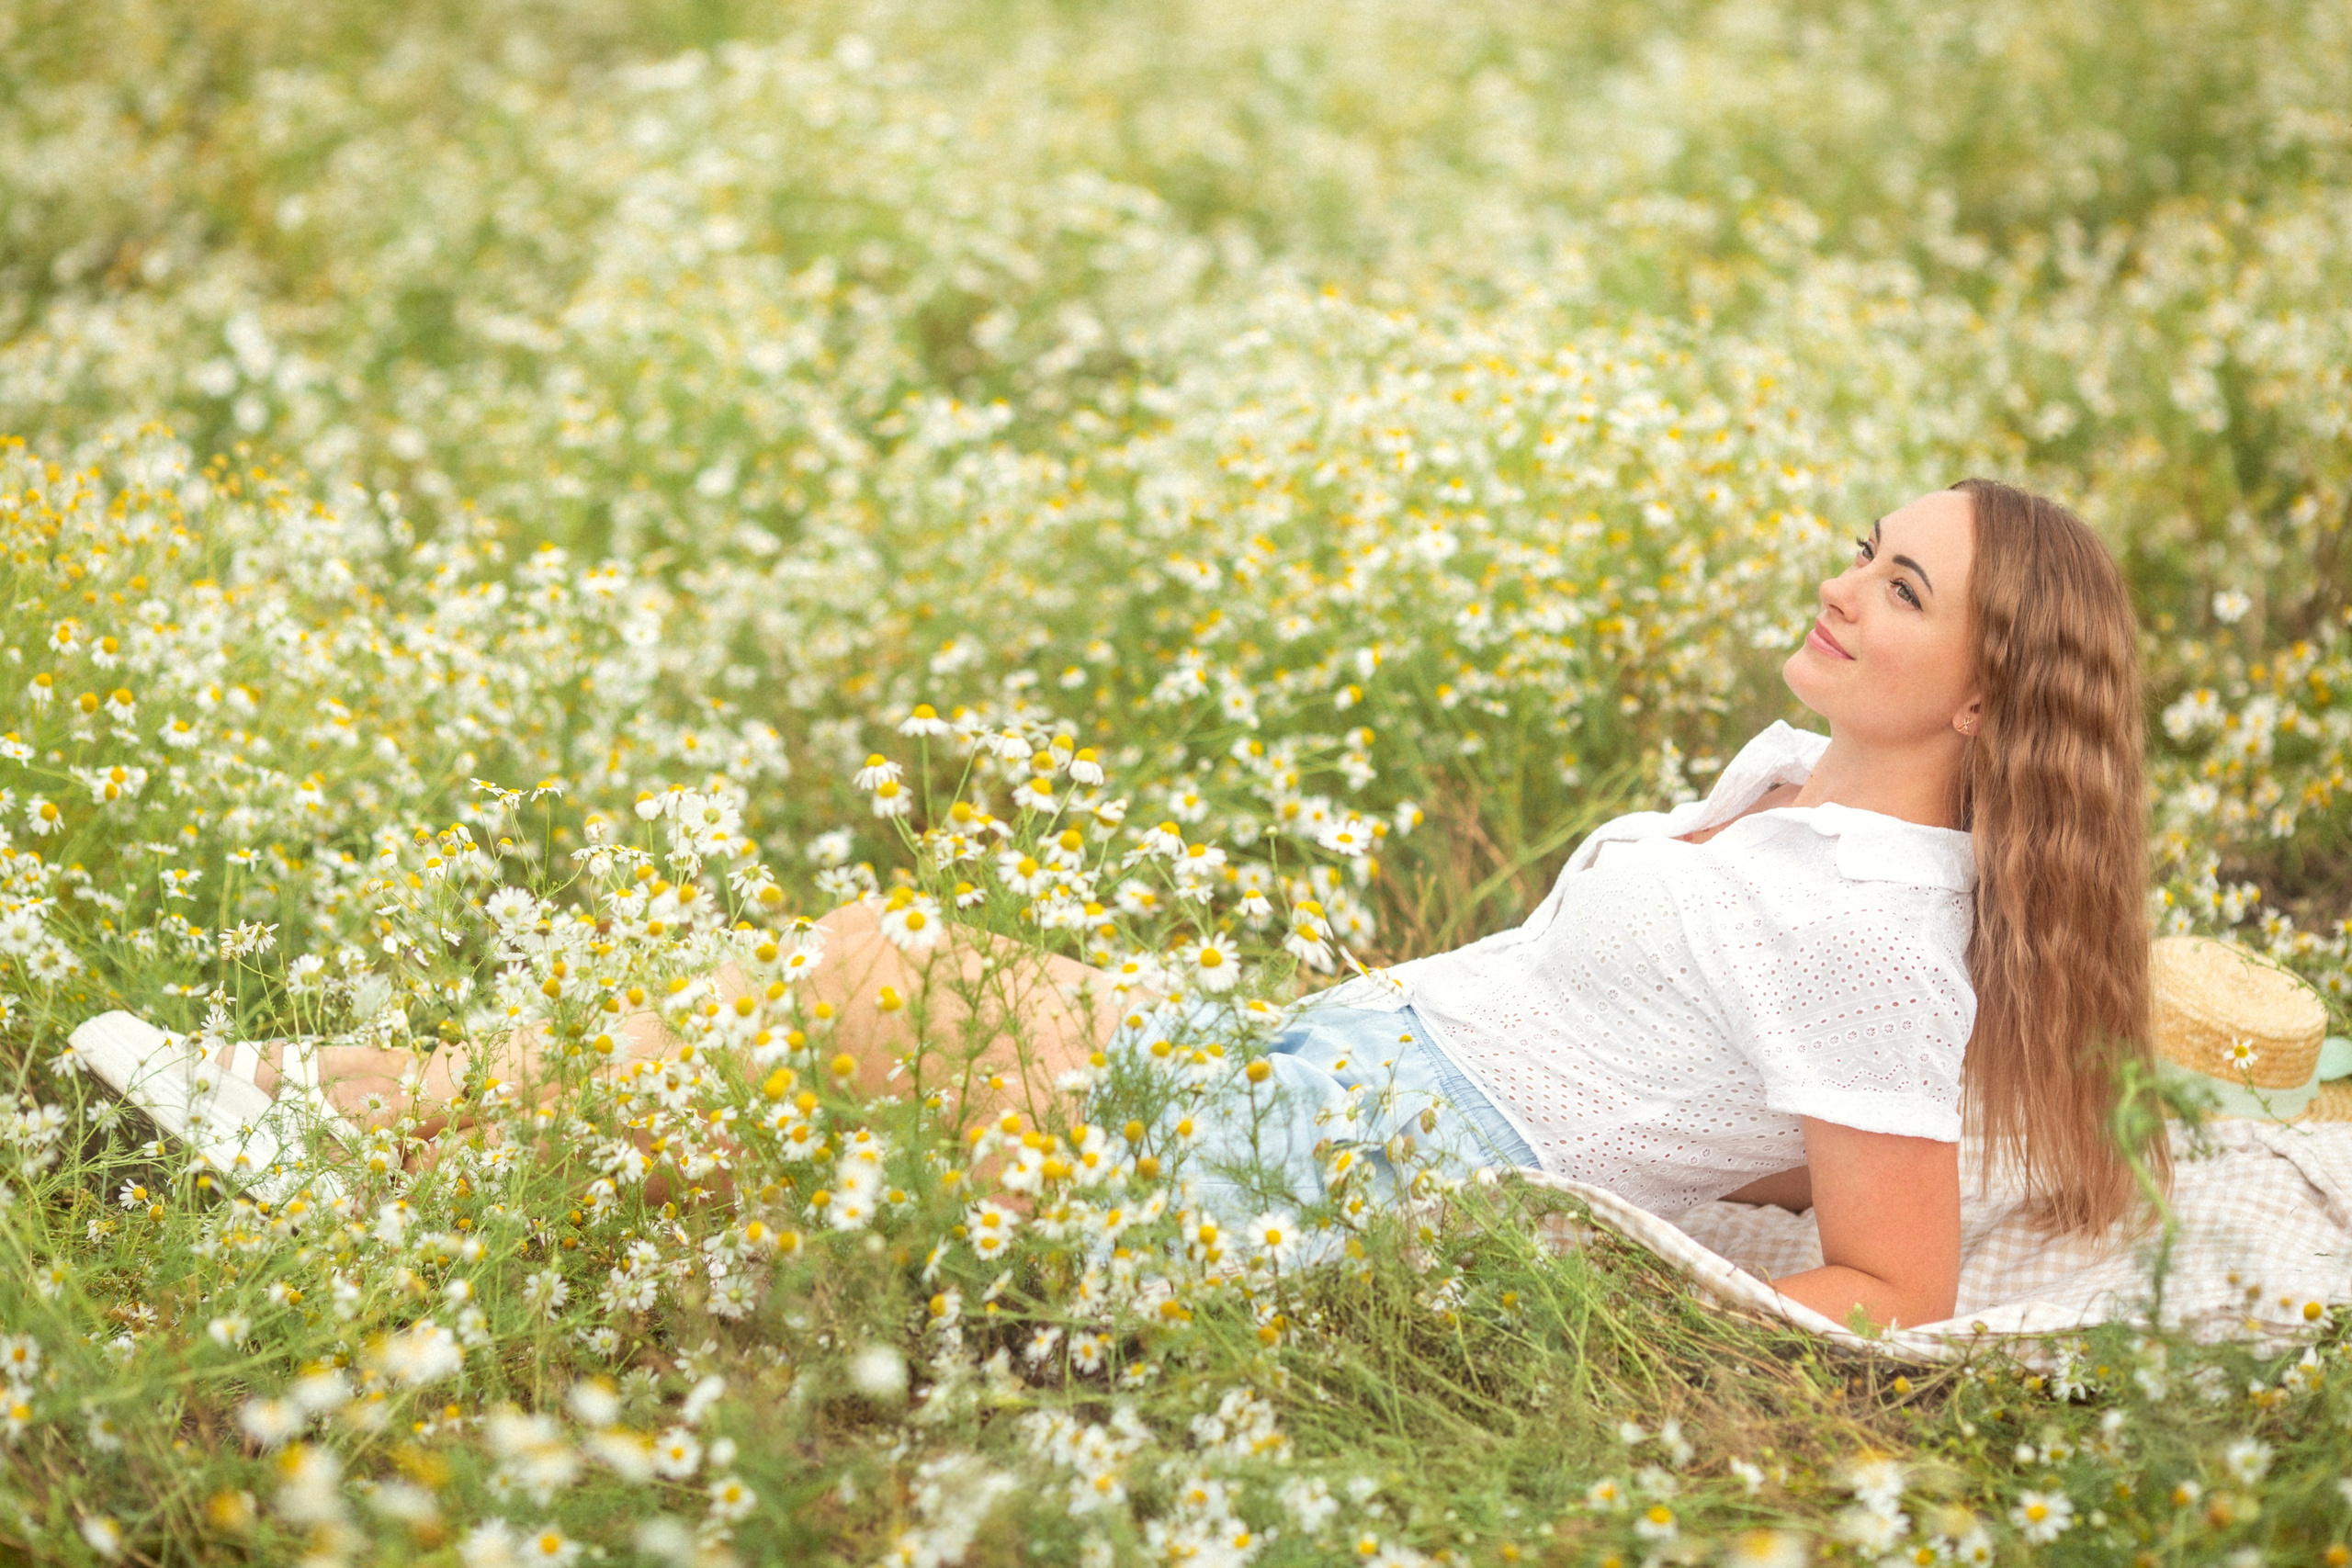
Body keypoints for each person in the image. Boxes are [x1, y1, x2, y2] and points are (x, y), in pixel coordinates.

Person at [75, 478, 2166, 1332]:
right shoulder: (1789, 788)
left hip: (1373, 1162)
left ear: (1987, 693)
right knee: (871, 1002)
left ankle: (338, 1121)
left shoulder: (1869, 928)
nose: (1842, 584)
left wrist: (1600, 1285)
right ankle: (371, 1129)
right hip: (1333, 1063)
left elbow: (1896, 1280)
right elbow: (1769, 1070)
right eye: (1864, 543)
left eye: (1901, 587)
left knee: (865, 987)